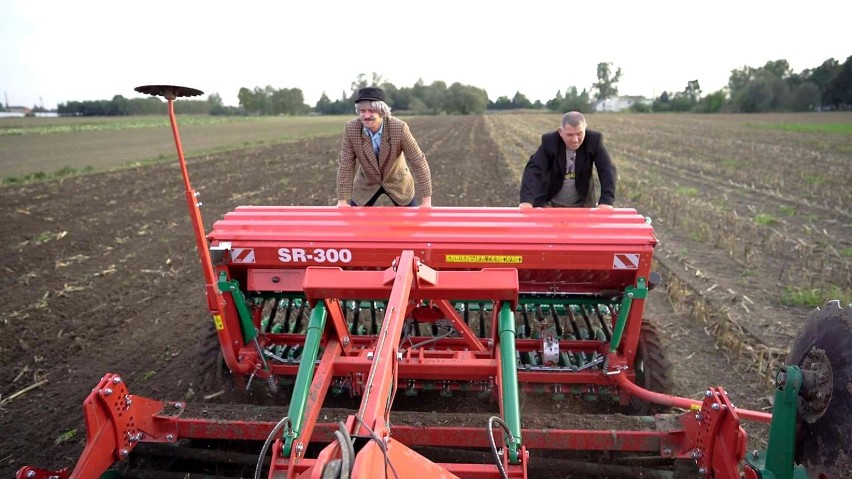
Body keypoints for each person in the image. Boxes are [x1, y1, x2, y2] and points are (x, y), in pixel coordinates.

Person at [337, 87, 432, 207]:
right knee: (356, 222)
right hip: (367, 182)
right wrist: (342, 201)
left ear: (381, 111)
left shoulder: (399, 128)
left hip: (397, 182)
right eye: (362, 111)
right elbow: (346, 163)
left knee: (409, 223)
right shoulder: (352, 129)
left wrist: (426, 202)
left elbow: (418, 160)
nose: (366, 115)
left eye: (371, 111)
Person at [519, 111, 615, 209]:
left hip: (582, 205)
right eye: (570, 135)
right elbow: (534, 169)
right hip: (551, 204)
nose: (575, 140)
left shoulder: (594, 140)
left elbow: (606, 169)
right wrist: (526, 200)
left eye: (579, 134)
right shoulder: (550, 141)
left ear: (585, 128)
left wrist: (606, 201)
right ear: (560, 132)